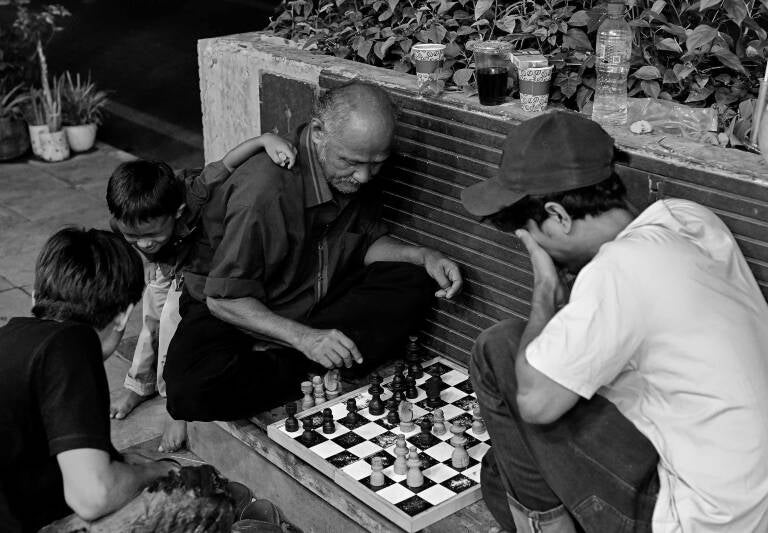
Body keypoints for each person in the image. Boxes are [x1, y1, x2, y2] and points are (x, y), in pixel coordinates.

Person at [460, 111, 768, 532]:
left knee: (500, 350)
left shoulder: (621, 268)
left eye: (531, 237)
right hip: (752, 508)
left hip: (691, 518)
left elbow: (536, 403)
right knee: (500, 469)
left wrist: (545, 286)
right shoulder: (685, 219)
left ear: (558, 216)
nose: (535, 250)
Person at [164, 81, 463, 424]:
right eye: (351, 162)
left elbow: (364, 242)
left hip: (313, 295)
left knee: (414, 278)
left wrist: (423, 255)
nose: (364, 177)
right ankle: (304, 360)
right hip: (239, 309)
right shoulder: (263, 193)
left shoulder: (350, 170)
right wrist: (303, 338)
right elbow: (223, 299)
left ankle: (307, 358)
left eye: (377, 163)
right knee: (190, 390)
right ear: (319, 132)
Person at [105, 132, 297, 452]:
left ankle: (175, 408)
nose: (143, 242)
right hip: (170, 266)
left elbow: (229, 162)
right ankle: (139, 383)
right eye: (132, 237)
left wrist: (265, 141)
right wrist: (151, 259)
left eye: (151, 234)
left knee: (170, 321)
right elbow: (138, 238)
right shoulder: (127, 221)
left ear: (177, 213)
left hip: (198, 276)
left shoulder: (195, 192)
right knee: (151, 308)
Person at [0, 228, 177, 532]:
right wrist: (153, 472)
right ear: (124, 315)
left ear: (34, 296)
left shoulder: (11, 338)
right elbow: (93, 495)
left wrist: (113, 462)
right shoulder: (70, 345)